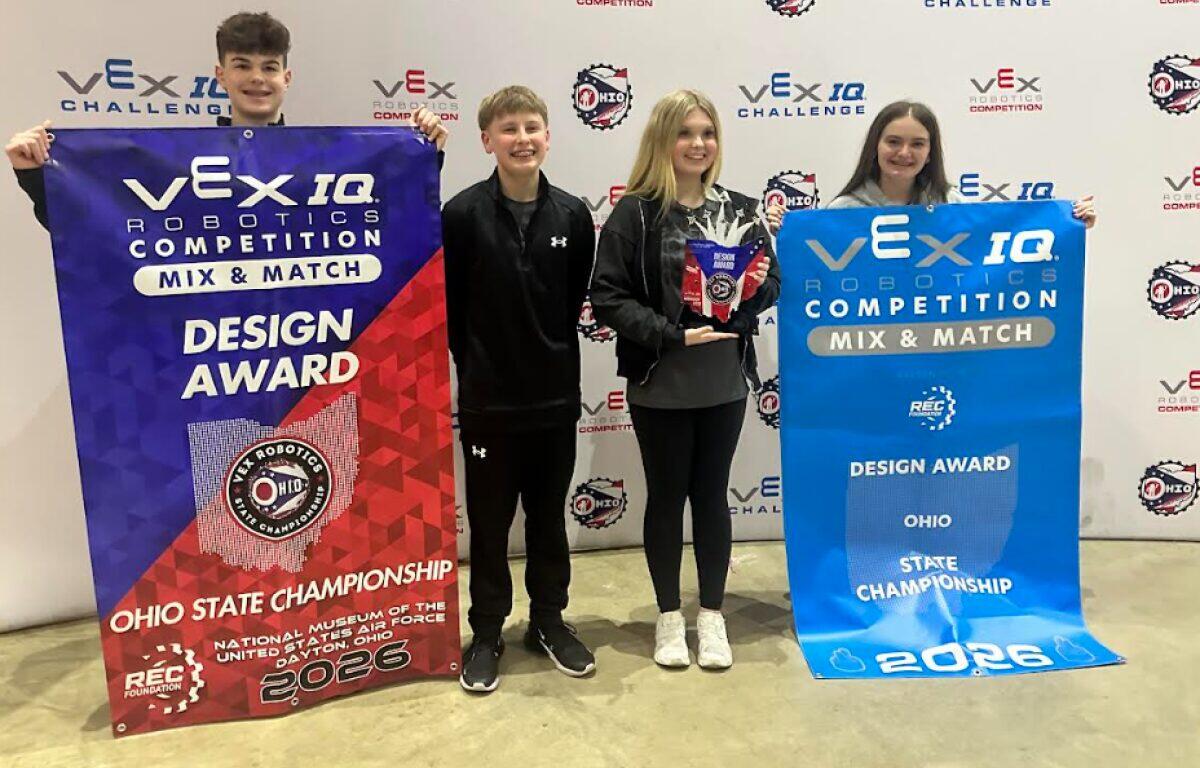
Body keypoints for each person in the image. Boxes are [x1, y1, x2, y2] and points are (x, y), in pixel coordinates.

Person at [590, 89, 781, 670]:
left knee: (713, 498)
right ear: (662, 141)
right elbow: (607, 297)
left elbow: (772, 284)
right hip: (661, 382)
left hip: (723, 381)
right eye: (685, 133)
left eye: (707, 132)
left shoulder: (743, 210)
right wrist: (672, 335)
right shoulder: (636, 211)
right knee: (667, 499)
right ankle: (669, 618)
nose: (698, 144)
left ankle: (712, 617)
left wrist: (739, 313)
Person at [6, 11, 449, 231]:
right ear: (221, 75)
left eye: (270, 67)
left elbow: (391, 222)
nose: (257, 78)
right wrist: (34, 177)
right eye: (242, 64)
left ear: (286, 78)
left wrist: (424, 153)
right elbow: (99, 231)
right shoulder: (176, 163)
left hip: (304, 345)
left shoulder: (322, 160)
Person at [442, 86, 597, 693]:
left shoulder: (572, 215)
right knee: (487, 523)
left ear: (548, 135)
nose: (522, 138)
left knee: (547, 519)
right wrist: (478, 367)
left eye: (532, 126)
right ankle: (486, 633)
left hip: (554, 401)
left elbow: (570, 303)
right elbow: (450, 308)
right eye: (508, 129)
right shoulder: (460, 215)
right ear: (487, 141)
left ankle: (549, 622)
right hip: (487, 404)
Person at [766, 100, 1095, 228]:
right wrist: (789, 231)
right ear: (875, 146)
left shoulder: (953, 204)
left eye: (917, 144)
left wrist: (1068, 222)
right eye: (893, 141)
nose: (904, 153)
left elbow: (1000, 239)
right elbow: (811, 276)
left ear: (930, 152)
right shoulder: (843, 210)